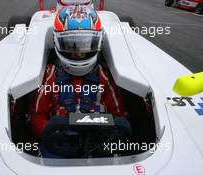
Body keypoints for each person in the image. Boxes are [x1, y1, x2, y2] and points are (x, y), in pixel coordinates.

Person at [28, 4, 131, 157]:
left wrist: (105, 135)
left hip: (97, 142)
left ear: (98, 42)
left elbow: (120, 115)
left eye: (85, 45)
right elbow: (35, 115)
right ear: (56, 42)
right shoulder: (50, 75)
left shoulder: (104, 75)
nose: (79, 54)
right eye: (71, 45)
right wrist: (51, 133)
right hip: (60, 142)